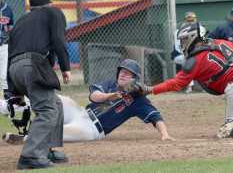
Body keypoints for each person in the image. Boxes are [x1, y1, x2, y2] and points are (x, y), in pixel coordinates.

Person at [138, 22, 233, 138]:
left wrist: (151, 89)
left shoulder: (193, 60)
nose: (183, 44)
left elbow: (177, 83)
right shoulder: (222, 42)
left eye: (185, 40)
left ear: (194, 37)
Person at [2, 59, 174, 144]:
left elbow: (155, 117)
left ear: (135, 79)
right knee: (55, 98)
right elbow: (94, 97)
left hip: (92, 129)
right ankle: (6, 106)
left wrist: (164, 134)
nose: (122, 74)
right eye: (122, 71)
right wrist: (112, 95)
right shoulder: (110, 84)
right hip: (81, 113)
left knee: (62, 131)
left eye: (128, 73)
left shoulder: (138, 100)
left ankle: (25, 139)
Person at [7, 0, 71, 170]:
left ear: (30, 6)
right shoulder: (53, 12)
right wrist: (66, 67)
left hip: (14, 68)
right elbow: (59, 40)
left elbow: (11, 52)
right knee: (48, 110)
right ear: (49, 3)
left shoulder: (20, 21)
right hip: (32, 65)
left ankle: (45, 150)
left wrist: (14, 90)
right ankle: (31, 155)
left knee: (55, 104)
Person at [172, 11, 197, 93]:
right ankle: (188, 87)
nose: (190, 22)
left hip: (194, 54)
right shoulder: (178, 32)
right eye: (188, 21)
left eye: (192, 20)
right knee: (187, 60)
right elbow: (178, 48)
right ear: (184, 21)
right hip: (179, 55)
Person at [0, 0, 14, 99]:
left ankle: (6, 95)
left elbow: (10, 27)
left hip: (3, 44)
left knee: (3, 73)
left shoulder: (7, 9)